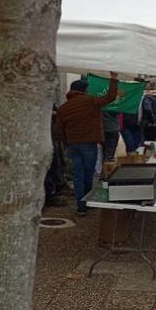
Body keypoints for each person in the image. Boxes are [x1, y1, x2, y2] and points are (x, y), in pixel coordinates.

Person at [56, 72, 118, 215]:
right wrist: (113, 80)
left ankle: (80, 206)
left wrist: (67, 141)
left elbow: (58, 131)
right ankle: (87, 201)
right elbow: (110, 97)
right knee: (88, 174)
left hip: (73, 145)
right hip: (89, 143)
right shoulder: (90, 101)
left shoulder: (63, 108)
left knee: (78, 174)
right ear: (84, 90)